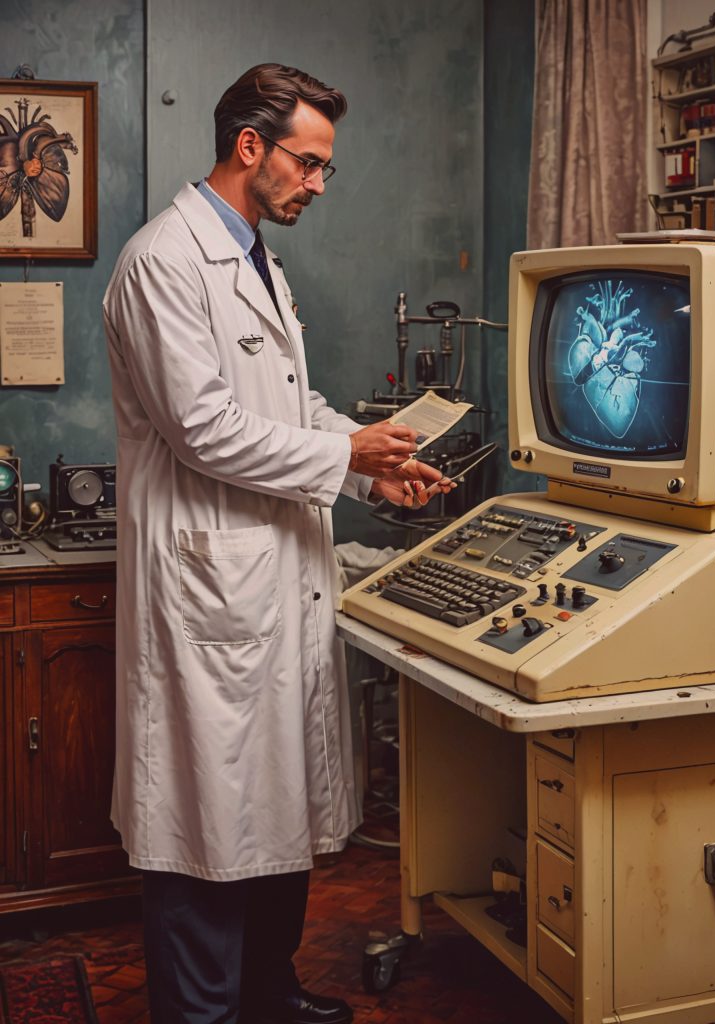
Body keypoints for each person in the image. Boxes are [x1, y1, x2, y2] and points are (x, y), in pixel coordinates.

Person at [103, 63, 450, 1024]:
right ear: (249, 147)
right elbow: (203, 428)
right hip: (210, 594)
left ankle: (268, 991)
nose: (318, 184)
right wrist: (341, 447)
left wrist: (365, 469)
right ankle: (206, 1013)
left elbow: (286, 410)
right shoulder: (163, 262)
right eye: (309, 162)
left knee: (272, 810)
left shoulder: (255, 257)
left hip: (274, 581)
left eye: (325, 167)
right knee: (206, 821)